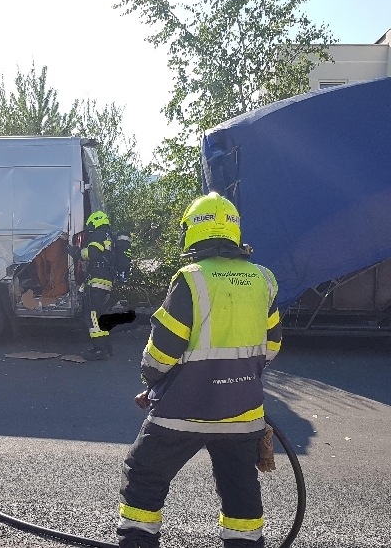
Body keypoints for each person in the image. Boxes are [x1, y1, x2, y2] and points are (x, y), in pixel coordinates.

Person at [117, 192, 282, 548]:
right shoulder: (263, 279)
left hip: (182, 412)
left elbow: (161, 355)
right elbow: (271, 347)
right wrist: (238, 378)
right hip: (243, 414)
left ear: (191, 231)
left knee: (143, 475)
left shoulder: (191, 279)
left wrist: (153, 384)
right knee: (240, 490)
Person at [69, 210, 115, 360]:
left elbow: (92, 253)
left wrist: (76, 252)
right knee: (99, 315)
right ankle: (105, 346)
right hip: (105, 279)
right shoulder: (109, 236)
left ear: (95, 222)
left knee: (92, 315)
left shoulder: (98, 235)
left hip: (98, 280)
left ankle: (100, 349)